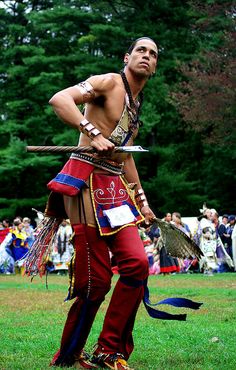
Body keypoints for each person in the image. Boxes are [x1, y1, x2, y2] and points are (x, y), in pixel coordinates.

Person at [48, 37, 158, 370]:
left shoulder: (136, 105)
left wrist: (142, 199)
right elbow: (60, 98)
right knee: (95, 281)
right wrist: (91, 132)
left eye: (153, 54)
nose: (147, 56)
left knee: (138, 265)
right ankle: (69, 352)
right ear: (127, 57)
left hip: (115, 191)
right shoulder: (108, 82)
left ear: (154, 67)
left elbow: (125, 158)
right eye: (141, 50)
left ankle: (109, 349)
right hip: (86, 182)